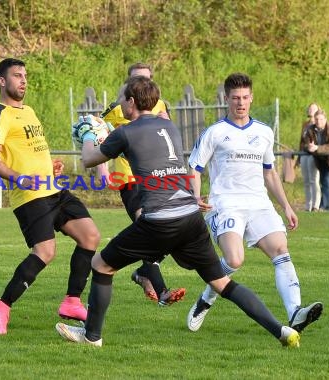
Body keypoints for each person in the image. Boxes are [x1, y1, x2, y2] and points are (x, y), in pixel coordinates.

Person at [56, 76, 301, 348]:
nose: (120, 104)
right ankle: (281, 331)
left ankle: (92, 337)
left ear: (132, 102)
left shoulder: (126, 132)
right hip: (190, 216)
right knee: (222, 283)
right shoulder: (169, 126)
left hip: (160, 219)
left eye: (122, 99)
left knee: (101, 264)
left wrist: (90, 136)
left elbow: (90, 159)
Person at [186, 72, 323, 334]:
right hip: (225, 203)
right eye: (235, 97)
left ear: (251, 98)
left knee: (280, 250)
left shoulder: (264, 132)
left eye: (245, 97)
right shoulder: (215, 133)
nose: (241, 102)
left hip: (259, 203)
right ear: (226, 99)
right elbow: (194, 168)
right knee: (234, 260)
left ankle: (295, 312)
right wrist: (195, 195)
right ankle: (207, 297)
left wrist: (286, 206)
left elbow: (270, 172)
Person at [0, 58, 100, 335]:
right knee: (45, 252)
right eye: (16, 76)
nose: (23, 80)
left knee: (90, 236)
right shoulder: (1, 113)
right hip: (30, 197)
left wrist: (50, 166)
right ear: (2, 81)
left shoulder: (30, 111)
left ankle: (72, 301)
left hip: (54, 190)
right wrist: (21, 178)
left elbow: (31, 151)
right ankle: (1, 305)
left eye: (25, 75)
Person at [101, 62, 185, 306]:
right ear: (128, 84)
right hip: (129, 177)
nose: (141, 84)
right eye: (136, 79)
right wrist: (103, 170)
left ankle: (144, 272)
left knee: (167, 228)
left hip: (157, 176)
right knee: (146, 222)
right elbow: (99, 137)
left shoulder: (160, 106)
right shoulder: (116, 109)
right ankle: (161, 290)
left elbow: (170, 137)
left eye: (146, 79)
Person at [307, 109, 329, 211]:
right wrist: (309, 146)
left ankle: (325, 207)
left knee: (327, 182)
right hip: (320, 161)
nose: (318, 121)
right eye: (316, 119)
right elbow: (305, 142)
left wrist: (317, 148)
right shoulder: (310, 129)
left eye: (321, 119)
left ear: (325, 119)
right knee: (324, 183)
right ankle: (327, 207)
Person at [297, 103, 321, 211]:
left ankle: (316, 205)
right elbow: (301, 141)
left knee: (314, 180)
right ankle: (308, 205)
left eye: (313, 108)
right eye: (310, 108)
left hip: (314, 155)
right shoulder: (305, 124)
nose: (311, 110)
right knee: (306, 181)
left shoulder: (318, 124)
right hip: (304, 154)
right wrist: (298, 157)